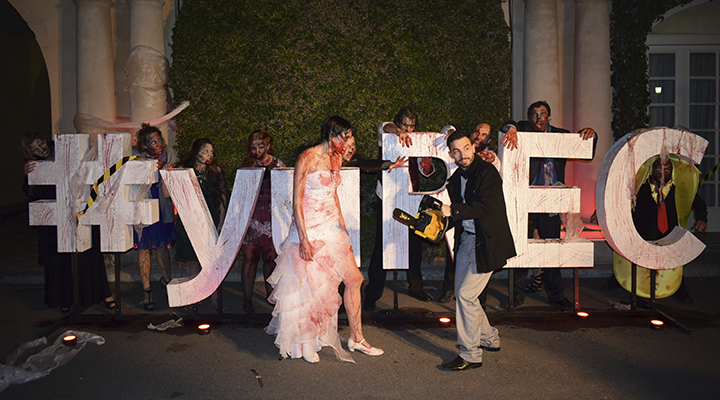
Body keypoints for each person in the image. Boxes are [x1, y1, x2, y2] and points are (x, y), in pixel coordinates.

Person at [265, 116, 383, 363]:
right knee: (310, 289)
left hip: (332, 230)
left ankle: (357, 338)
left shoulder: (336, 158)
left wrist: (343, 230)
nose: (350, 142)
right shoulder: (306, 157)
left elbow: (334, 196)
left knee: (355, 279)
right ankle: (305, 342)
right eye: (346, 137)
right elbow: (296, 201)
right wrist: (303, 240)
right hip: (310, 230)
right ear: (332, 136)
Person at [503, 100, 596, 310]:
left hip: (552, 202)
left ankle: (555, 295)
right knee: (520, 246)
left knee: (553, 248)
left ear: (549, 117)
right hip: (527, 200)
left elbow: (587, 146)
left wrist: (592, 133)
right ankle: (516, 293)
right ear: (529, 119)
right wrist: (511, 129)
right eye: (534, 115)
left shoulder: (562, 135)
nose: (539, 119)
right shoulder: (524, 129)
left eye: (543, 114)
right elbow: (506, 124)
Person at [440, 130, 516, 371]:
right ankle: (489, 338)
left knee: (465, 295)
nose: (461, 154)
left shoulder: (487, 172)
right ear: (450, 154)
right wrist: (436, 223)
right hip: (467, 241)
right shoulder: (454, 180)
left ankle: (470, 354)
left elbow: (484, 206)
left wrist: (453, 211)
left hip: (487, 242)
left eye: (465, 148)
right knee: (465, 295)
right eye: (456, 151)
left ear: (473, 147)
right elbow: (457, 216)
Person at [21, 131, 116, 312]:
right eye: (34, 149)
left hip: (80, 207)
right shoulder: (35, 166)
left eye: (41, 143)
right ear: (29, 153)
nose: (41, 149)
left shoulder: (67, 152)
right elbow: (31, 192)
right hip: (54, 214)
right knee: (58, 257)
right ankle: (64, 297)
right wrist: (30, 178)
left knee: (90, 251)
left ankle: (102, 293)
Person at [364, 105, 434, 311]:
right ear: (398, 123)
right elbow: (383, 126)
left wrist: (427, 164)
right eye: (405, 124)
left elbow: (427, 171)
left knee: (415, 244)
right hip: (387, 198)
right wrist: (398, 131)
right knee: (381, 247)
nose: (408, 129)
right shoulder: (387, 134)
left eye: (412, 126)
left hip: (411, 198)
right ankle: (372, 294)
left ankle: (416, 287)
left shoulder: (419, 142)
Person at [614, 155, 708, 304]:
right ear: (651, 169)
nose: (663, 172)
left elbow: (699, 204)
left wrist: (702, 219)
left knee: (674, 262)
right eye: (659, 168)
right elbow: (618, 202)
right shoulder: (639, 187)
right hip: (644, 233)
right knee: (642, 264)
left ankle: (680, 288)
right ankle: (636, 290)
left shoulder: (679, 187)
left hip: (669, 232)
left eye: (667, 168)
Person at [173, 138, 228, 307]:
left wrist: (221, 220)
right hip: (189, 220)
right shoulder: (184, 170)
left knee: (212, 261)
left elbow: (222, 196)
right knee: (192, 260)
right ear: (196, 152)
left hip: (210, 218)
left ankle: (215, 300)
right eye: (205, 151)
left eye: (211, 152)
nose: (208, 155)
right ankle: (193, 300)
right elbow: (169, 193)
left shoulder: (215, 170)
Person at [239, 130, 286, 314]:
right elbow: (241, 194)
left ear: (268, 145)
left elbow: (286, 189)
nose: (257, 151)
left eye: (261, 146)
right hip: (252, 217)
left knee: (270, 259)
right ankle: (247, 300)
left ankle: (272, 298)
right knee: (249, 259)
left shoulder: (278, 163)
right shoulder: (247, 165)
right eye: (253, 147)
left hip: (272, 216)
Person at [133, 123, 177, 310]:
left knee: (162, 247)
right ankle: (147, 290)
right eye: (153, 142)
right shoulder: (136, 159)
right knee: (144, 248)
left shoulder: (169, 154)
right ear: (144, 145)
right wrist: (147, 167)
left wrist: (170, 170)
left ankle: (167, 283)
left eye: (159, 140)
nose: (158, 144)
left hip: (162, 207)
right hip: (143, 206)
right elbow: (132, 182)